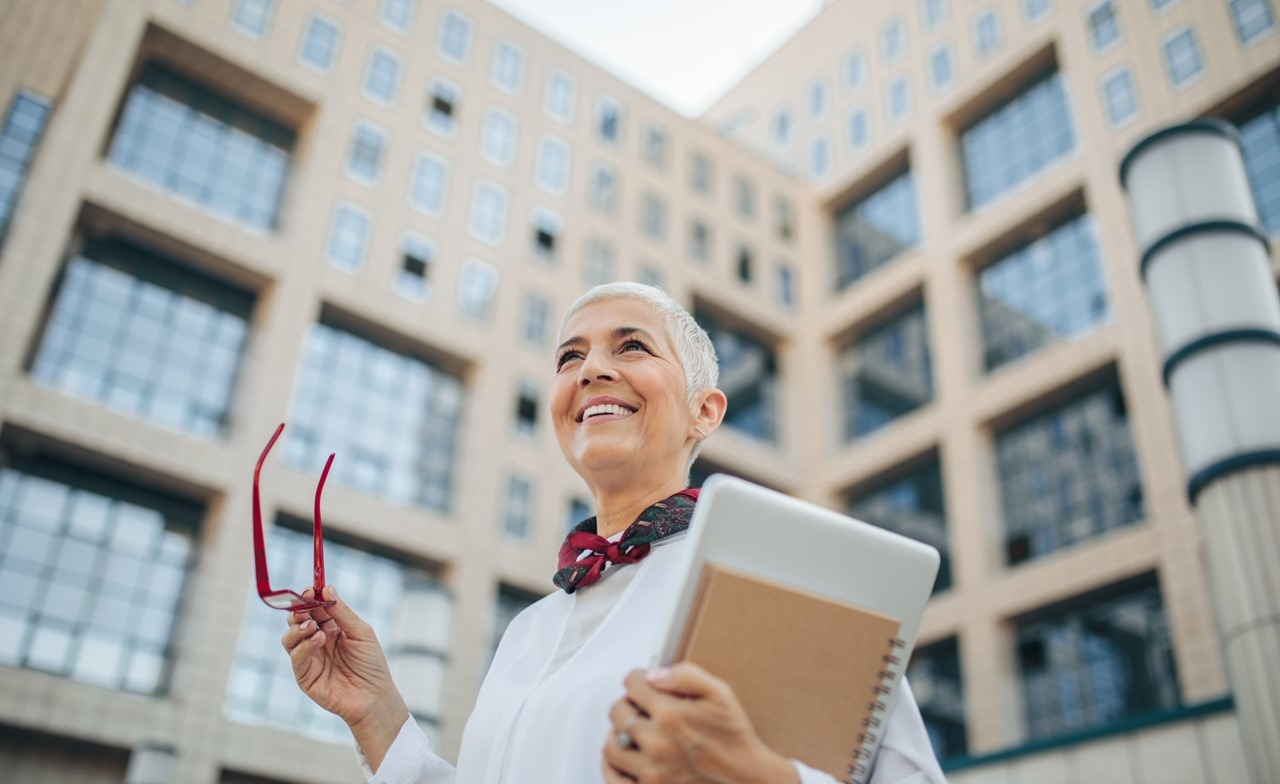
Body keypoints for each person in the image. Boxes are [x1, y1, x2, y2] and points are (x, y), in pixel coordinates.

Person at [282, 283, 947, 784]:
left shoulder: (785, 578)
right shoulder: (528, 631)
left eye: (630, 346)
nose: (591, 370)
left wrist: (759, 777)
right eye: (570, 357)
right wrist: (377, 713)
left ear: (705, 411)